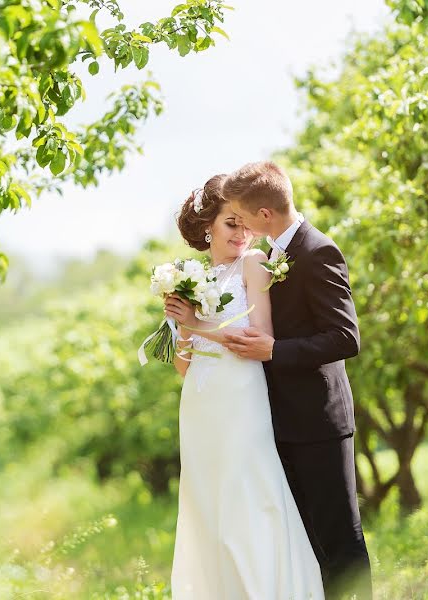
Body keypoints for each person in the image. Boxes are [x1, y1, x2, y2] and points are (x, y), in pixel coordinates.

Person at [165, 174, 324, 600]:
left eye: (245, 223)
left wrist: (199, 325)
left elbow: (260, 337)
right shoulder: (190, 277)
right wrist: (184, 326)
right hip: (199, 402)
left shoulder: (254, 265)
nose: (243, 233)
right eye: (231, 224)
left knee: (247, 494)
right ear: (207, 228)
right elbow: (183, 367)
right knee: (206, 505)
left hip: (242, 396)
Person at [221, 160, 372, 600]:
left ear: (264, 215)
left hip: (320, 422)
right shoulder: (272, 253)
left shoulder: (318, 250)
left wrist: (274, 351)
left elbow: (346, 337)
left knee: (340, 537)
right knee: (308, 542)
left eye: (244, 217)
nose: (242, 227)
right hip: (283, 420)